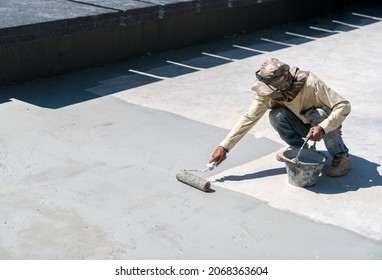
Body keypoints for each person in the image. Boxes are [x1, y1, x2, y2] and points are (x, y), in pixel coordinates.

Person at [209, 58, 352, 177]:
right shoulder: (266, 92)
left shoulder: (310, 83)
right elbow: (249, 118)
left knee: (319, 115)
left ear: (283, 84)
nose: (267, 94)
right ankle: (298, 150)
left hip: (322, 125)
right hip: (302, 124)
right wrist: (225, 147)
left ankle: (341, 156)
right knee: (276, 115)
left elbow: (343, 106)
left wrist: (323, 127)